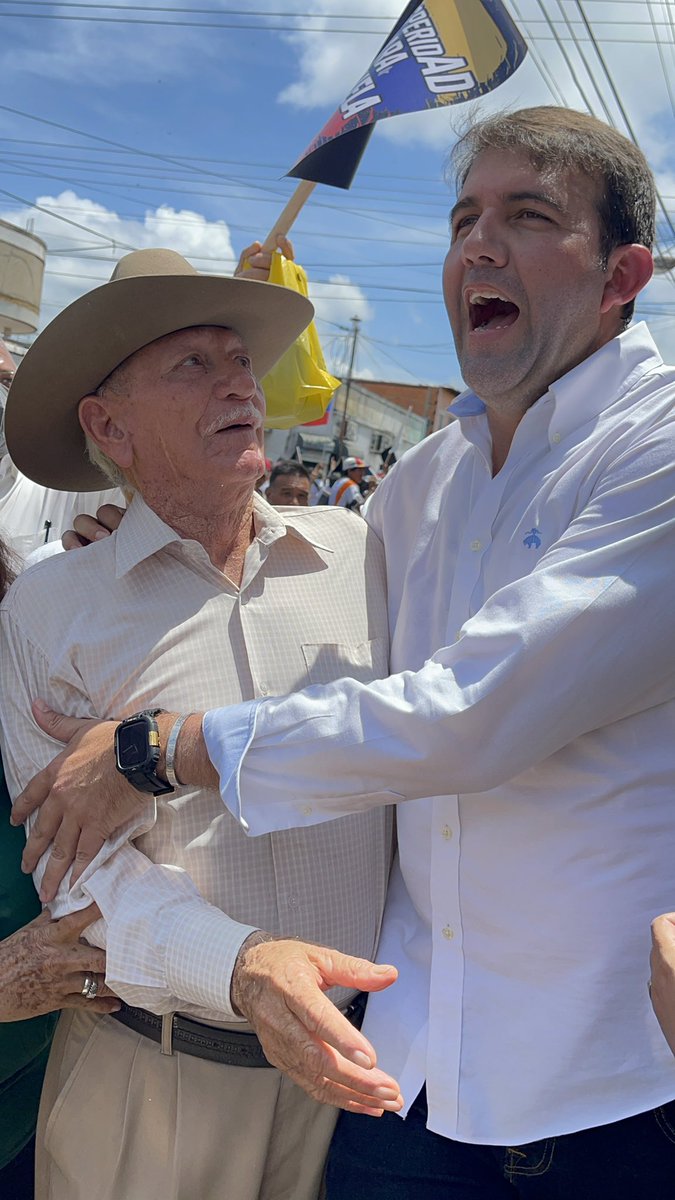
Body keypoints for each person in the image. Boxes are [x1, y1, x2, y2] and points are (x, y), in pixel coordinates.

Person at [20, 106, 675, 1197]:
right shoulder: (416, 490)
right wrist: (123, 548)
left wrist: (156, 749)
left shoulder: (650, 452)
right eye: (464, 216)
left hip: (599, 1093)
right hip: (390, 1083)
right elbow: (76, 853)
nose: (477, 243)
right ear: (109, 427)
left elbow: (467, 713)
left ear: (624, 277)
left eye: (527, 215)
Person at [0, 246, 397, 1200]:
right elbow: (76, 877)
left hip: (365, 1093)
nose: (242, 386)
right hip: (153, 1086)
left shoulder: (369, 558)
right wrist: (246, 970)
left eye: (240, 362)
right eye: (195, 365)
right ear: (110, 425)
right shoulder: (49, 610)